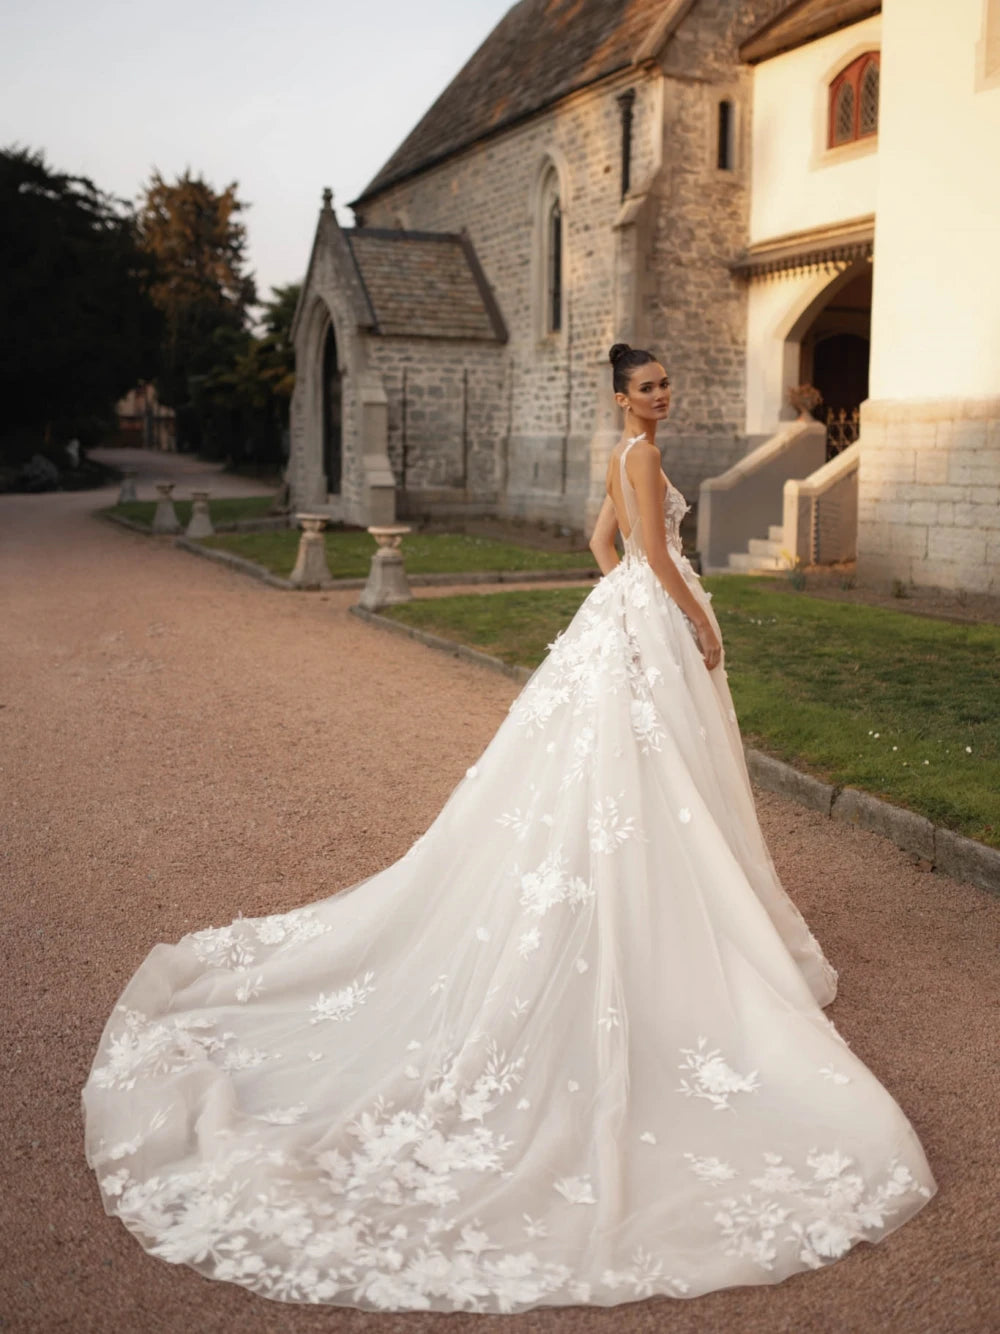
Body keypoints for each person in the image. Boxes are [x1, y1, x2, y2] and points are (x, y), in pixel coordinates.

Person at [81, 343, 936, 1315]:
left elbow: (596, 543)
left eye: (664, 384)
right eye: (646, 386)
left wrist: (623, 600)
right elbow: (647, 554)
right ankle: (671, 928)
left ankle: (665, 906)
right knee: (657, 780)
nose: (659, 396)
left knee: (641, 784)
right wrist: (694, 625)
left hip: (621, 624)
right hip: (649, 621)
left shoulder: (620, 453)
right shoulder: (645, 456)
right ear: (622, 394)